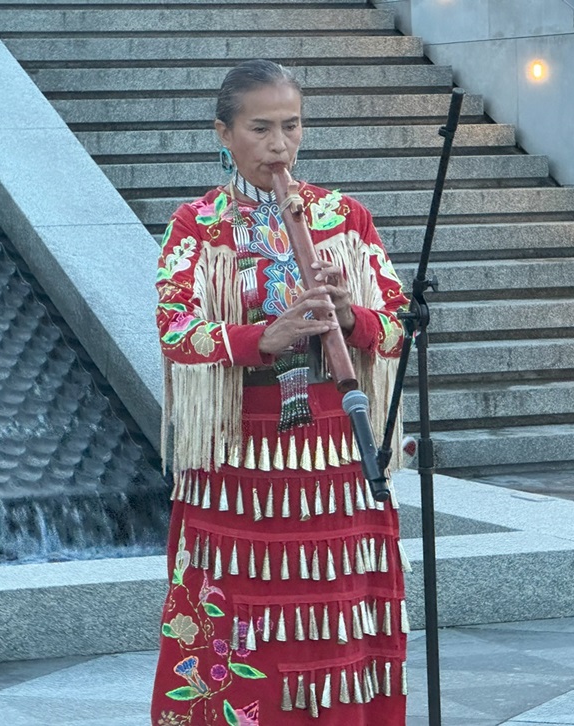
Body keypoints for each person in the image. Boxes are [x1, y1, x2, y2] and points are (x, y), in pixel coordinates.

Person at [150, 59, 409, 726]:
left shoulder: (342, 216)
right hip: (236, 459)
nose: (279, 145)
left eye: (291, 127)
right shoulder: (197, 225)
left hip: (333, 454)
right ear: (223, 133)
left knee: (336, 621)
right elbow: (175, 329)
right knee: (236, 626)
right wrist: (259, 340)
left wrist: (352, 316)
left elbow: (399, 323)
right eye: (260, 128)